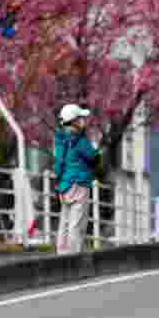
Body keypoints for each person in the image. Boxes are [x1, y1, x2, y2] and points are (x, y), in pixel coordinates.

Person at [53, 104, 99, 255]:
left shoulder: (60, 139)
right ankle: (74, 256)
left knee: (65, 222)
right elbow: (93, 156)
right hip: (79, 183)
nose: (84, 120)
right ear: (74, 121)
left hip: (65, 184)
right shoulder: (80, 140)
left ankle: (62, 253)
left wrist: (59, 180)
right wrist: (95, 144)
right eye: (81, 118)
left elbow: (58, 163)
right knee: (77, 222)